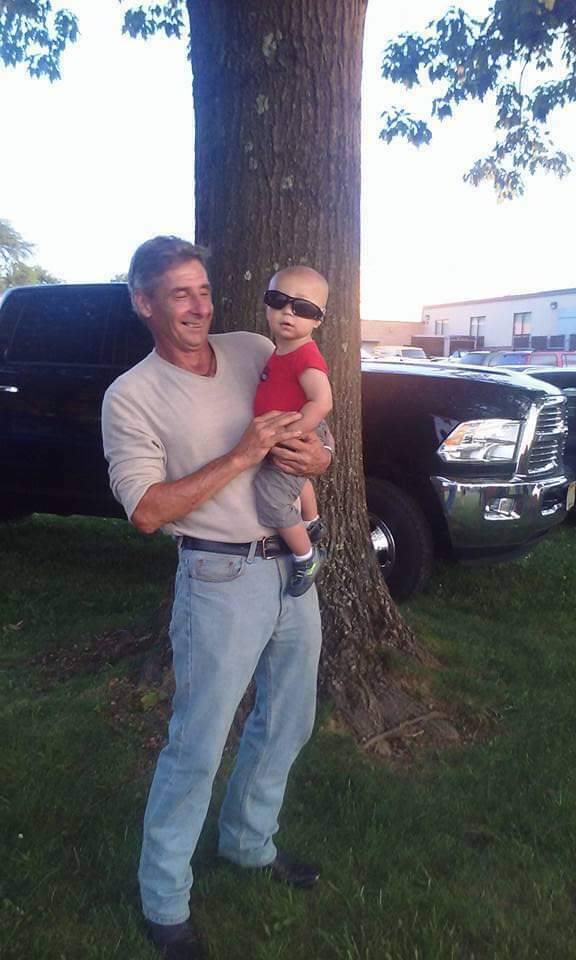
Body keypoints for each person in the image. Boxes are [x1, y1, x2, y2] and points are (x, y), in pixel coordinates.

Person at [101, 236, 333, 960]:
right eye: (180, 293)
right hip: (218, 579)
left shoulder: (252, 349)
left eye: (203, 290)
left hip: (291, 569)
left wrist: (320, 455)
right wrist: (240, 456)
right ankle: (165, 901)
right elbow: (146, 510)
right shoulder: (132, 395)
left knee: (288, 719)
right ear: (144, 303)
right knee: (198, 743)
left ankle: (248, 842)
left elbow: (314, 426)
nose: (199, 306)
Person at [254, 265, 333, 597]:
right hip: (290, 425)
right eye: (279, 300)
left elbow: (322, 401)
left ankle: (306, 556)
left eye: (302, 307)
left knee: (270, 495)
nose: (288, 311)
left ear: (318, 319)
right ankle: (312, 522)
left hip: (298, 428)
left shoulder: (305, 356)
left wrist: (294, 432)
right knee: (296, 479)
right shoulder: (281, 350)